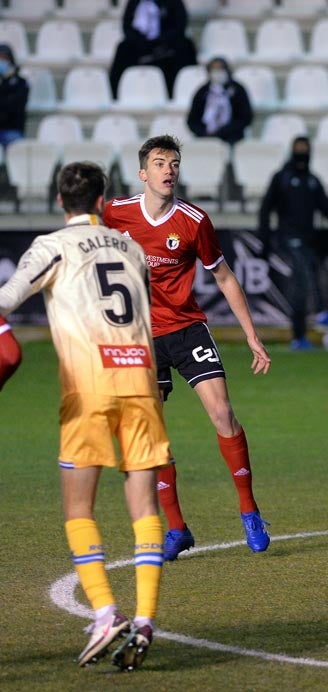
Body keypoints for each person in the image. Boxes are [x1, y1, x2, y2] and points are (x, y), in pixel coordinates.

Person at [0, 161, 168, 670]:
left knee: (79, 509)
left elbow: (6, 300)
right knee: (144, 509)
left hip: (88, 385)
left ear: (59, 203)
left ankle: (104, 611)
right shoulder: (133, 249)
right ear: (102, 202)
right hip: (140, 381)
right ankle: (144, 619)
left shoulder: (51, 246)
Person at [102, 135, 273, 561]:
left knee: (222, 413)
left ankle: (249, 510)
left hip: (187, 330)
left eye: (174, 162)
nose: (168, 169)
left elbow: (225, 277)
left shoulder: (194, 221)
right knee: (152, 434)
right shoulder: (116, 214)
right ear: (143, 173)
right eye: (159, 163)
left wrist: (251, 334)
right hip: (141, 337)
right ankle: (176, 528)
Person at [258, 136, 328, 350]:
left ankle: (299, 338)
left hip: (307, 239)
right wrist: (264, 240)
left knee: (301, 286)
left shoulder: (312, 181)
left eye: (305, 149)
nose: (302, 154)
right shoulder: (281, 178)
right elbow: (265, 209)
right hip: (288, 237)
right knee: (306, 268)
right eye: (299, 149)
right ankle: (320, 313)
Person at [109, 0, 197, 99]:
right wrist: (143, 42)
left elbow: (180, 25)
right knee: (123, 48)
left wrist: (161, 40)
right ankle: (114, 94)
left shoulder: (174, 2)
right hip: (140, 45)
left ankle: (182, 92)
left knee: (186, 46)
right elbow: (127, 27)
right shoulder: (134, 2)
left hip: (167, 44)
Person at [186, 57, 254, 145]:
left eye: (220, 69)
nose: (217, 72)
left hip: (232, 137)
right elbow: (192, 119)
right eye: (214, 69)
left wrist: (224, 131)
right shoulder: (202, 91)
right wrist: (203, 131)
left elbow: (246, 117)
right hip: (205, 137)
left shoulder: (238, 90)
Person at [0, 43, 29, 149]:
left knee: (15, 144)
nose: (1, 61)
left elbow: (16, 106)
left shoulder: (21, 82)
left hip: (12, 129)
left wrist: (7, 81)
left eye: (4, 58)